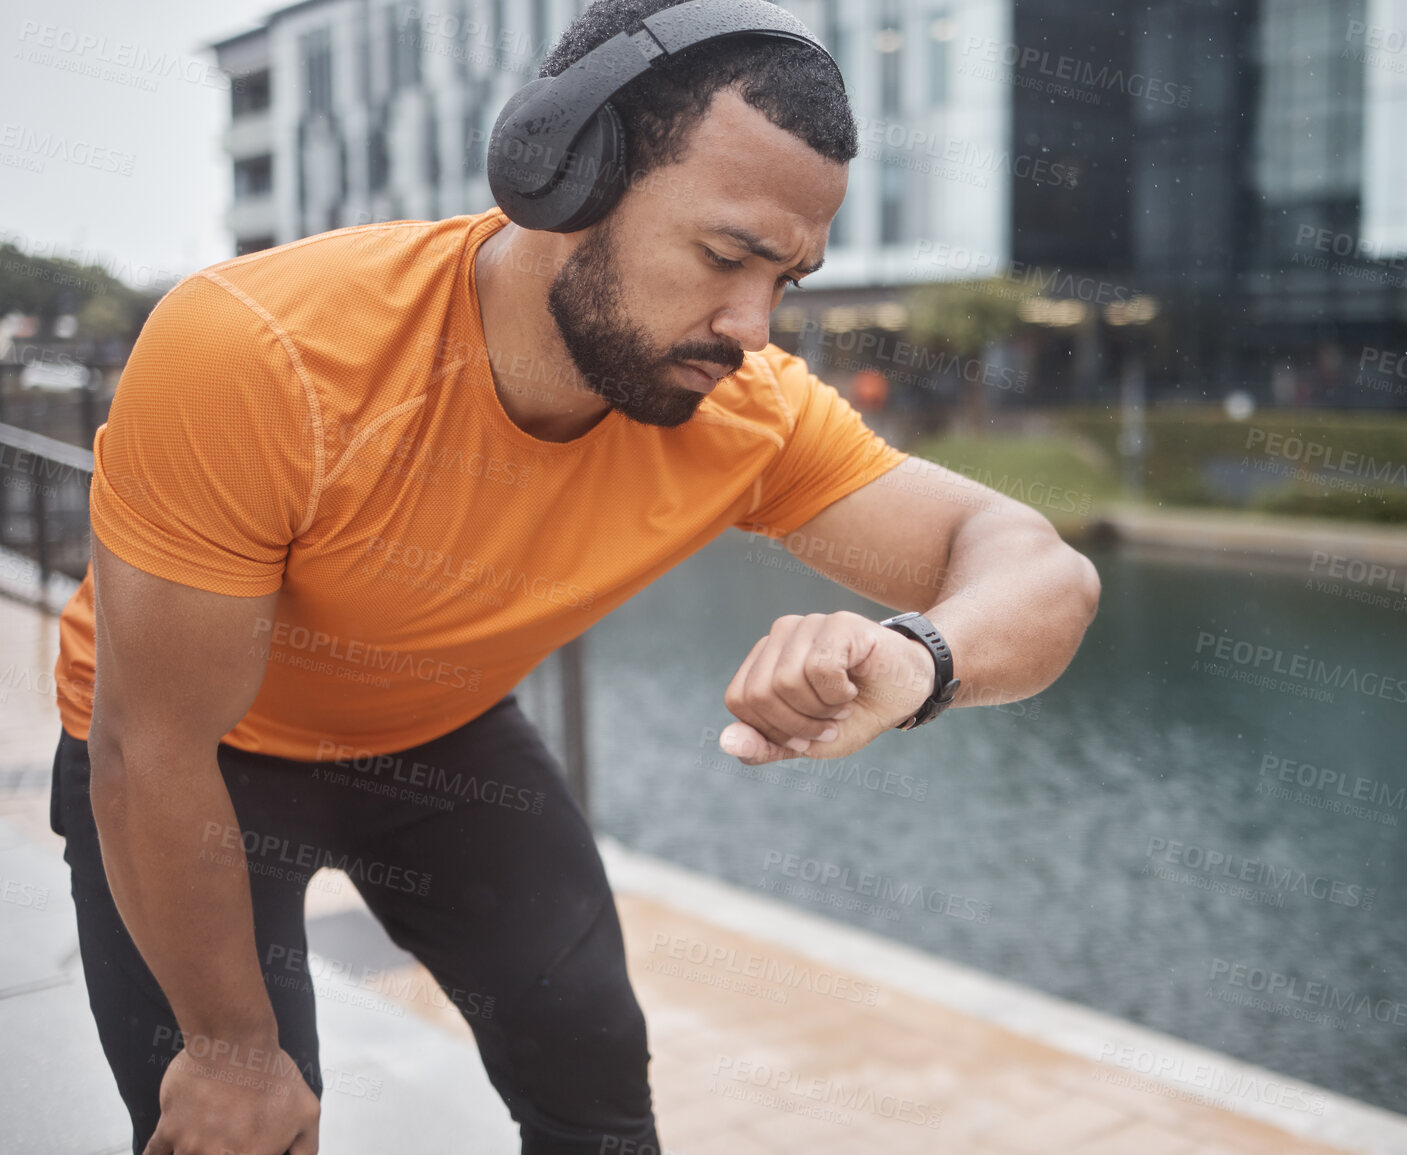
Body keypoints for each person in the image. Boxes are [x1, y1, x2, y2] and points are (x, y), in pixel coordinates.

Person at [47, 1, 1100, 1152]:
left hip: (439, 737)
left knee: (597, 1086)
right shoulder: (263, 350)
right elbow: (146, 743)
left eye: (787, 279)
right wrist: (232, 1052)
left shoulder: (741, 409)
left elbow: (1040, 568)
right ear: (560, 180)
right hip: (200, 761)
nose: (753, 324)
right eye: (724, 256)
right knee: (243, 1122)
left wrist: (919, 657)